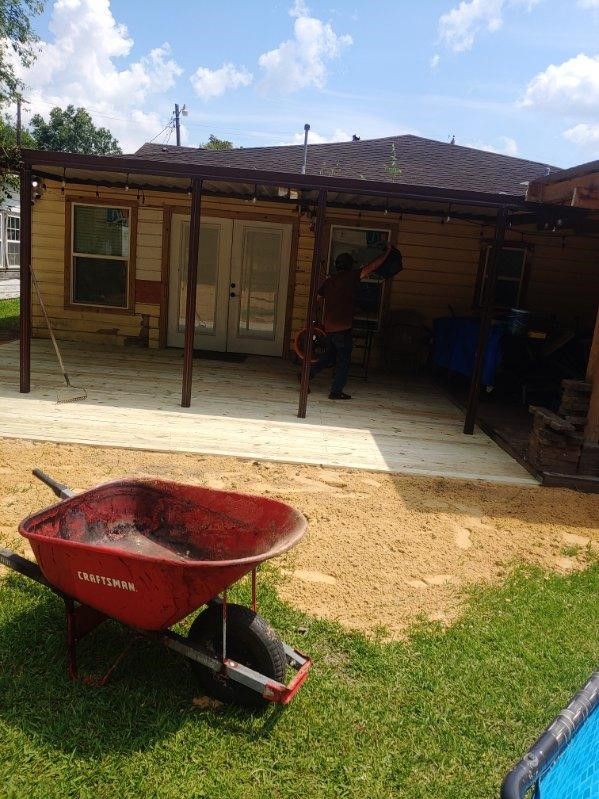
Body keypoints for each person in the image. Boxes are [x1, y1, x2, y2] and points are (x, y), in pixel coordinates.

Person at [310, 243, 393, 400]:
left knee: (330, 356)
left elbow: (318, 298)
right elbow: (372, 266)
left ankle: (307, 375)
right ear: (349, 266)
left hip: (329, 327)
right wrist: (387, 252)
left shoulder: (330, 281)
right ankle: (336, 391)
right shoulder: (351, 277)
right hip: (343, 327)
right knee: (343, 360)